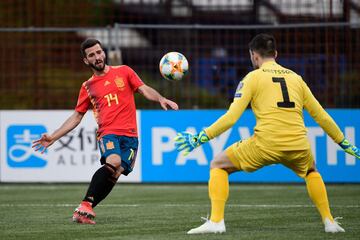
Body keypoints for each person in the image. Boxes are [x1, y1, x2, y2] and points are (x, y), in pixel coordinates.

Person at [175, 33, 359, 234]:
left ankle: (217, 222)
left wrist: (199, 138)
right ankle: (329, 222)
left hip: (266, 144)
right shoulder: (296, 79)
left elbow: (231, 118)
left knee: (218, 165)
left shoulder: (252, 78)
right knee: (311, 171)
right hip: (298, 144)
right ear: (276, 54)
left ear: (254, 55)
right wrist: (343, 142)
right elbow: (321, 116)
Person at [32, 38, 179, 224]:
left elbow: (143, 89)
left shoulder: (124, 71)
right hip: (108, 133)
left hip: (131, 137)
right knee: (113, 161)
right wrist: (53, 137)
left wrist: (160, 99)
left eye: (99, 52)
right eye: (92, 55)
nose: (97, 57)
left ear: (103, 52)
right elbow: (76, 117)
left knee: (116, 173)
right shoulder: (87, 87)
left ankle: (86, 209)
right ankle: (84, 205)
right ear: (86, 61)